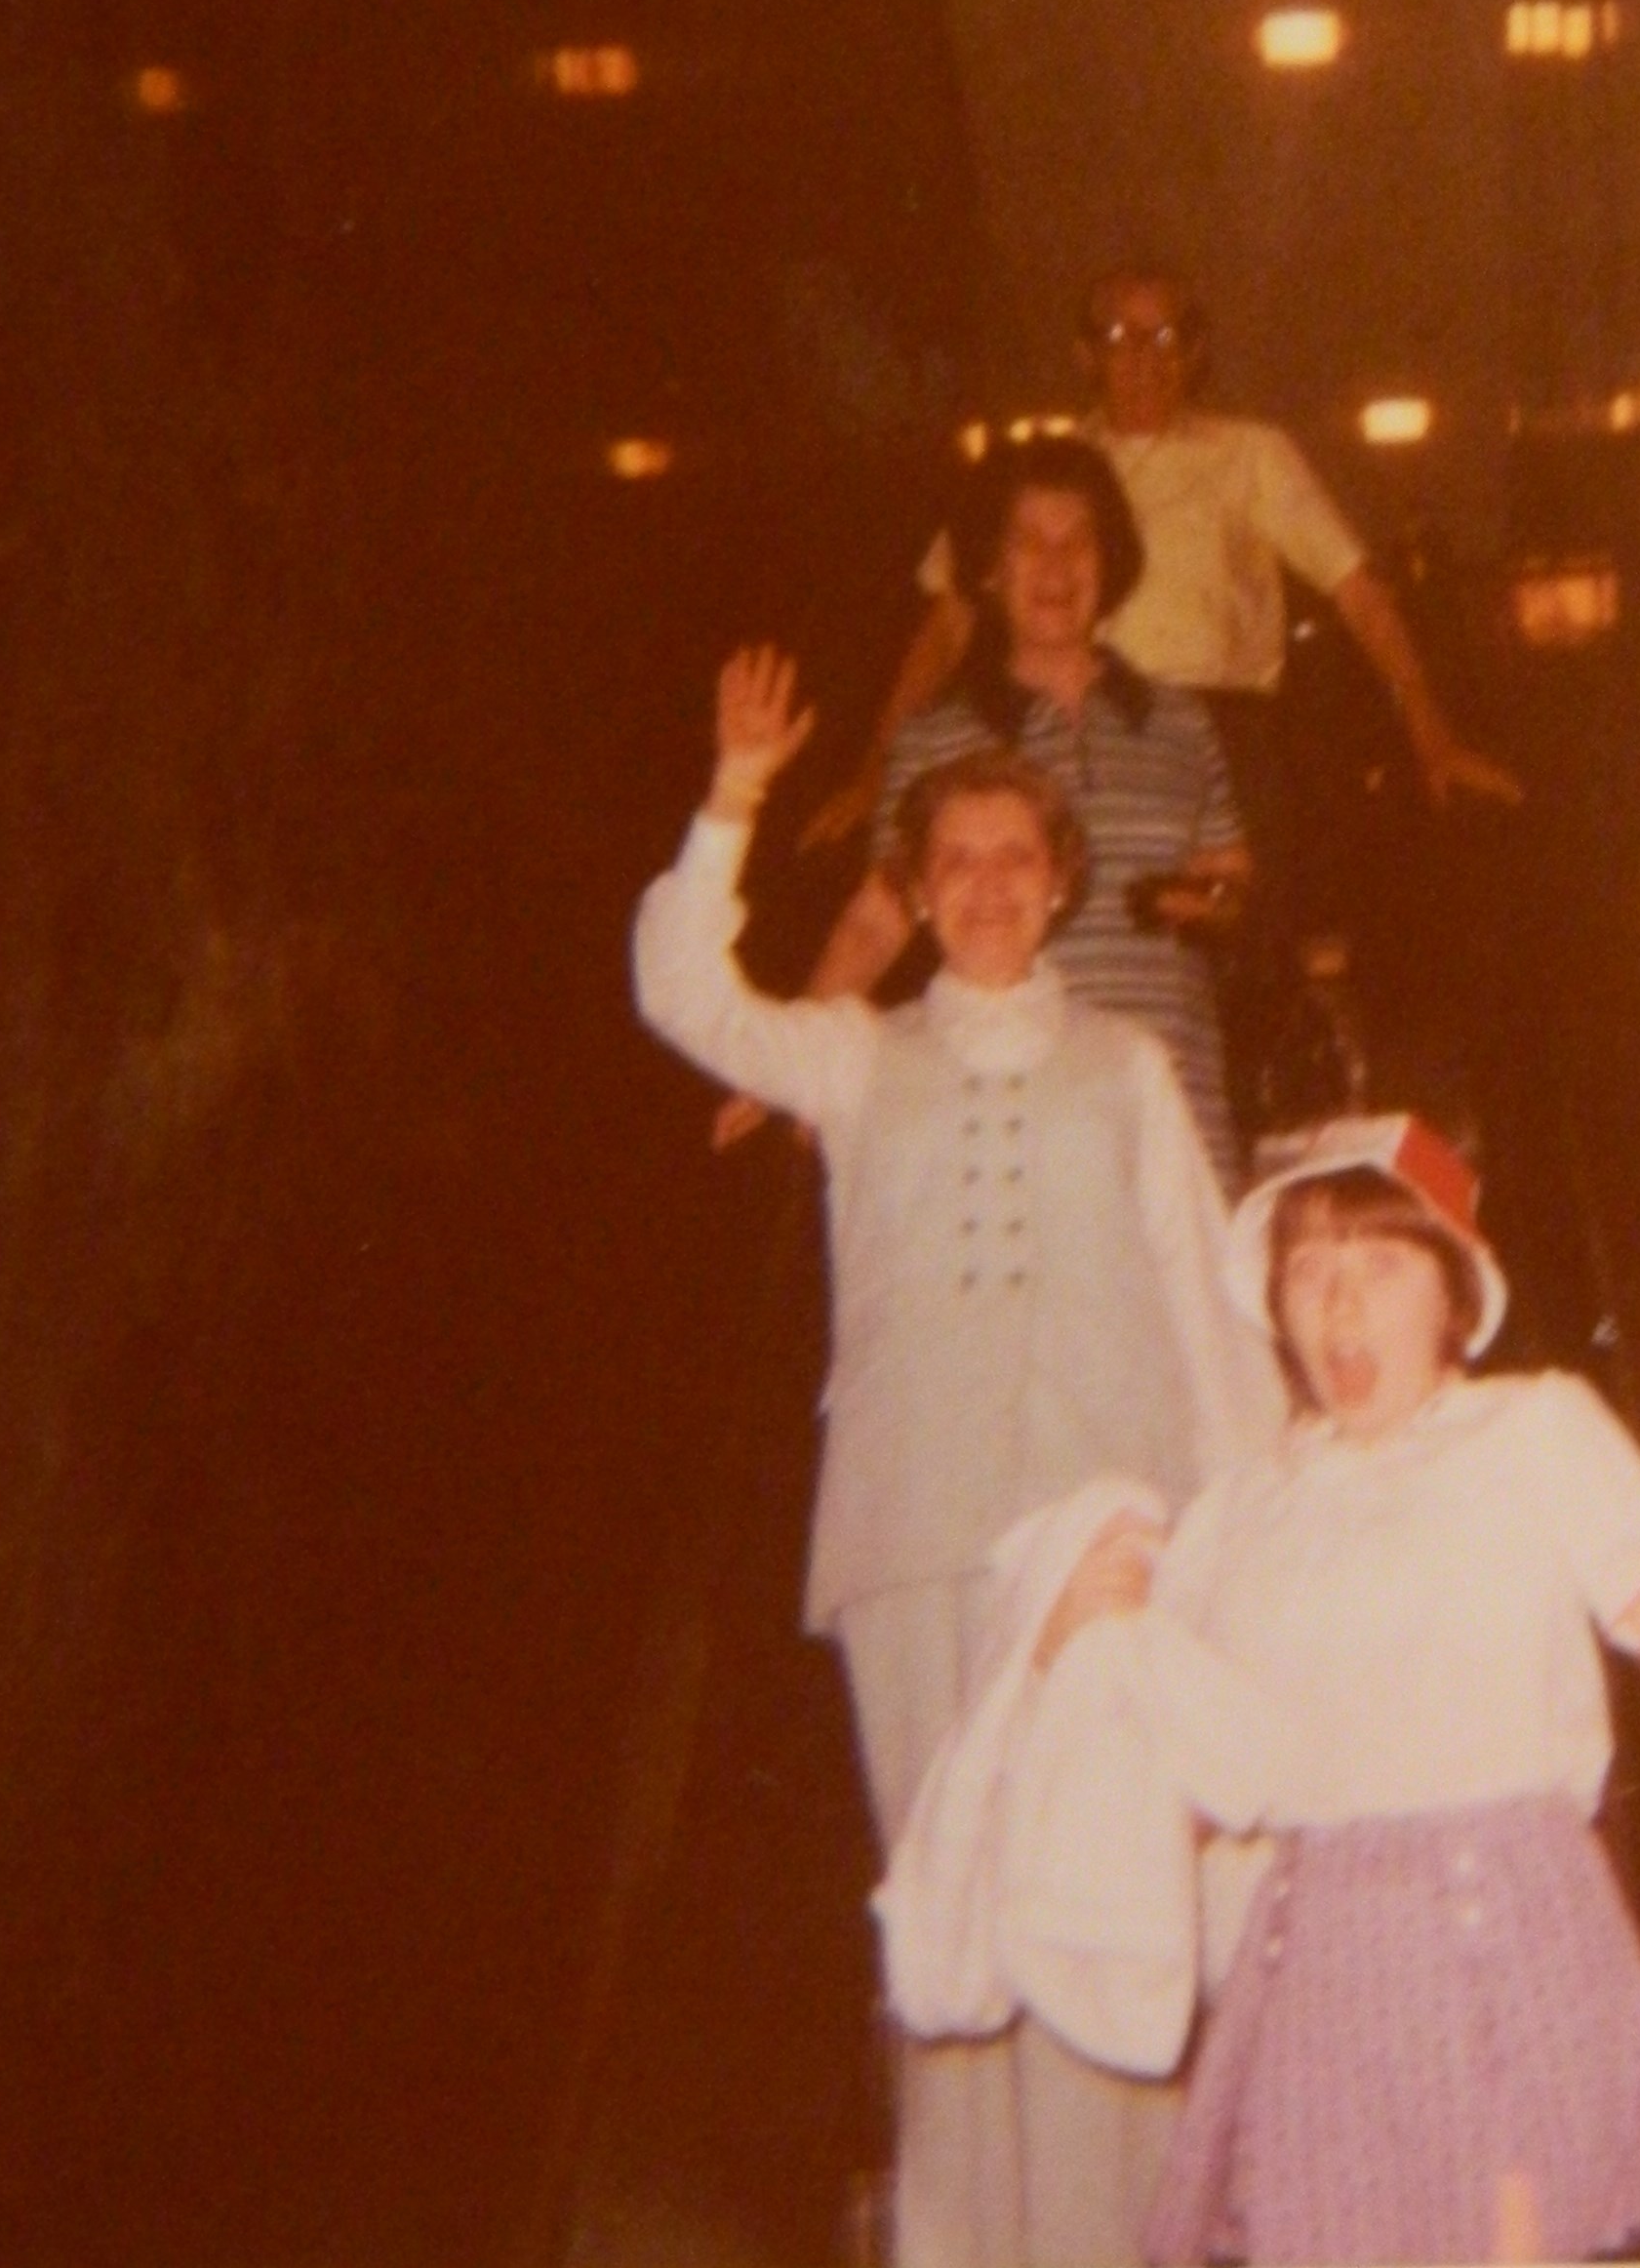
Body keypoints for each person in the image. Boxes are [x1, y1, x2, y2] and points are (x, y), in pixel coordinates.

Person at [631, 647, 1285, 2268]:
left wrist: (1246, 1528)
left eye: (1013, 858)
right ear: (917, 895)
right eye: (955, 862)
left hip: (1101, 1540)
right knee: (949, 1904)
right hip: (909, 1534)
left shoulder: (1124, 1069)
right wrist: (733, 796)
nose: (986, 886)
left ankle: (1131, 2240)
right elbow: (684, 994)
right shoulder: (857, 1058)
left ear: (1056, 885)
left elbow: (1204, 1301)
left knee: (1102, 1890)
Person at [1036, 1114, 1640, 2267]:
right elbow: (1180, 1794)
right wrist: (1070, 1653)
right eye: (1308, 1270)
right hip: (1307, 1957)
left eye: (1381, 1264)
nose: (1339, 1304)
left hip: (1503, 1921)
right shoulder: (1234, 1512)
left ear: (1453, 1297)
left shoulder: (1535, 1431)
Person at [800, 265, 1521, 891]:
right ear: (1086, 354)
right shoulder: (1045, 467)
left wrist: (1432, 735)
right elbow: (947, 625)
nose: (1145, 358)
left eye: (1166, 336)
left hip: (1224, 742)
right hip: (1067, 734)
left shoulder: (1253, 454)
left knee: (1236, 946)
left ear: (1195, 351)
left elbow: (1360, 598)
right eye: (1121, 337)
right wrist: (873, 771)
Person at [744, 436, 1249, 1187]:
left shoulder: (1179, 722)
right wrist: (785, 1057)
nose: (1055, 565)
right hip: (1014, 1124)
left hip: (1176, 1113)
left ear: (1108, 563)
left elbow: (1231, 888)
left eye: (1078, 541)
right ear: (987, 568)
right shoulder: (935, 738)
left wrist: (1206, 901)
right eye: (1028, 542)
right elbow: (877, 919)